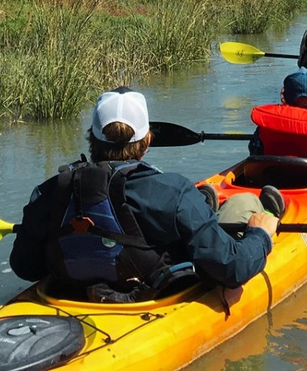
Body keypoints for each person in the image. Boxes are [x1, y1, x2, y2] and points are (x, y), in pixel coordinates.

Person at [10, 87, 284, 303]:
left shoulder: (49, 192)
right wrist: (260, 236)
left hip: (71, 295)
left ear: (90, 138)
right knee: (243, 204)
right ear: (148, 140)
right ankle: (205, 210)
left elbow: (25, 267)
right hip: (150, 298)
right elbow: (232, 268)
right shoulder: (172, 190)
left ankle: (203, 206)